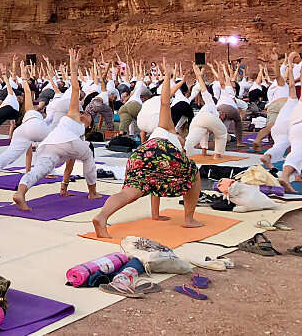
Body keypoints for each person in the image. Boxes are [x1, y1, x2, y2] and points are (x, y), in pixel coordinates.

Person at [92, 64, 203, 237]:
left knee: (129, 192)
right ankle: (189, 219)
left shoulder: (158, 132)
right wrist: (167, 76)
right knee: (194, 173)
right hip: (159, 150)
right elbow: (166, 101)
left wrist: (156, 216)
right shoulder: (168, 127)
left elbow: (155, 182)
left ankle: (102, 216)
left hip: (141, 154)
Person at [12, 49, 101, 211]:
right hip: (61, 142)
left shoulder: (78, 133)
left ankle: (20, 193)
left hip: (49, 145)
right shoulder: (74, 115)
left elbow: (69, 166)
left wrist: (64, 188)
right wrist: (73, 69)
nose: (87, 115)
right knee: (88, 156)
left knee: (38, 171)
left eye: (90, 116)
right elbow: (75, 90)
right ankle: (93, 192)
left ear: (89, 125)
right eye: (86, 113)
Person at [0, 62, 50, 178]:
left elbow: (28, 92)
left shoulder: (22, 111)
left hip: (22, 130)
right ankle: (47, 171)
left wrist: (23, 78)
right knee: (57, 144)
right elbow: (28, 92)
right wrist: (24, 77)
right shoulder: (28, 108)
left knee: (10, 153)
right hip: (35, 126)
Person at [277, 48, 302, 193]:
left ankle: (285, 176)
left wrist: (295, 64)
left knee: (297, 153)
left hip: (296, 129)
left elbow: (298, 83)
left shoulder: (298, 102)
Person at [185, 64, 229, 159]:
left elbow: (204, 136)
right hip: (205, 117)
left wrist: (204, 153)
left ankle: (183, 152)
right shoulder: (212, 106)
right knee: (222, 133)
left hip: (196, 119)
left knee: (191, 140)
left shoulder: (209, 107)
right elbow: (204, 91)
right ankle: (217, 155)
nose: (222, 115)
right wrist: (199, 77)